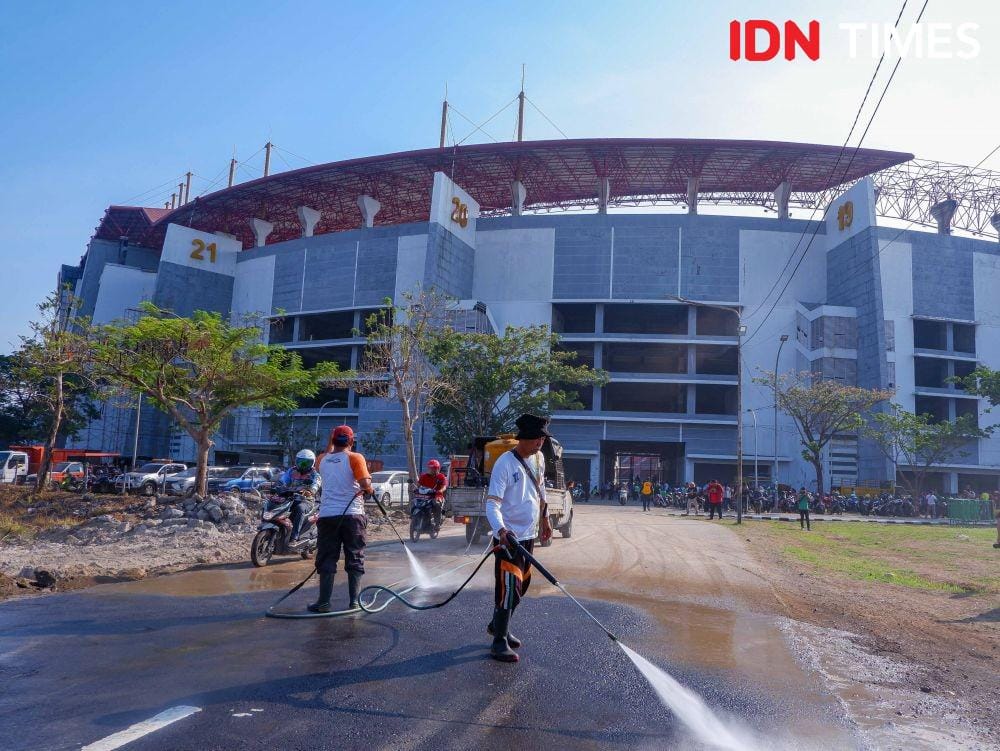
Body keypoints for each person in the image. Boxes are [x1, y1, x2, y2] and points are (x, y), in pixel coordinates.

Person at [484, 413, 553, 663]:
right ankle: (498, 642)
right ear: (523, 438)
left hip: (528, 534)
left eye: (542, 440)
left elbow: (541, 489)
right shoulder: (505, 463)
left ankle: (498, 625)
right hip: (509, 538)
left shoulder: (539, 459)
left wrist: (545, 517)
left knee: (522, 584)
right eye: (536, 439)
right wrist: (502, 531)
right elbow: (492, 504)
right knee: (508, 587)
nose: (539, 444)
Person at [308, 425, 373, 613]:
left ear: (333, 440)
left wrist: (331, 439)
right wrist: (369, 488)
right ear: (351, 441)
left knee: (327, 557)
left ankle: (323, 603)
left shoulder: (322, 460)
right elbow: (364, 484)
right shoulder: (355, 458)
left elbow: (329, 454)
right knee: (355, 555)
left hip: (327, 516)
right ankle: (355, 602)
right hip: (352, 516)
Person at [279, 449, 322, 546]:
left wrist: (310, 491)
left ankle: (294, 537)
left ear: (312, 463)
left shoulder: (315, 474)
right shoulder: (291, 471)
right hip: (290, 498)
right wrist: (277, 486)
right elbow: (283, 480)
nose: (303, 465)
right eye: (301, 462)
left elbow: (316, 484)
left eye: (306, 463)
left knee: (300, 509)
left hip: (306, 500)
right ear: (296, 461)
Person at [416, 458, 448, 528]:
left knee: (437, 504)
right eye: (430, 468)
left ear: (437, 469)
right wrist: (415, 489)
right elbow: (418, 485)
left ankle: (437, 524)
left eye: (433, 468)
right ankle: (416, 517)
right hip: (425, 496)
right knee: (415, 503)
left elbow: (444, 487)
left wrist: (440, 490)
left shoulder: (441, 477)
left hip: (436, 496)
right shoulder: (423, 476)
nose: (431, 470)